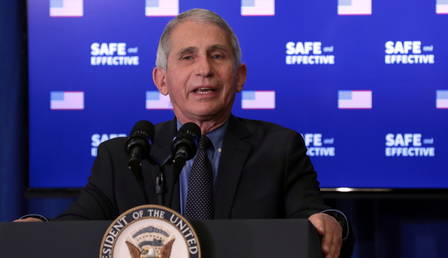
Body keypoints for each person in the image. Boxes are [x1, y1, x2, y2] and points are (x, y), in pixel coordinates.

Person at [17, 8, 351, 258]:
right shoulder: (123, 156)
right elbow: (79, 223)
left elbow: (314, 219)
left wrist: (331, 222)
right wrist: (38, 231)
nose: (204, 69)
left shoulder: (280, 147)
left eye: (217, 56)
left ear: (239, 76)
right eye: (188, 57)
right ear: (161, 80)